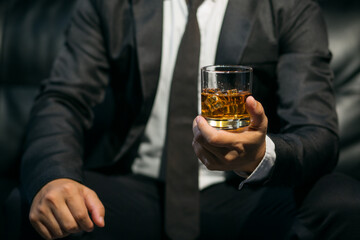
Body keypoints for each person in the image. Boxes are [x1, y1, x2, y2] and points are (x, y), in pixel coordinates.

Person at [11, 0, 360, 239]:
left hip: (243, 193)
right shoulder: (111, 5)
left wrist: (261, 155)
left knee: (341, 202)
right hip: (133, 188)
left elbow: (318, 132)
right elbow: (64, 99)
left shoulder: (290, 7)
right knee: (38, 205)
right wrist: (54, 178)